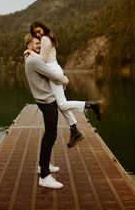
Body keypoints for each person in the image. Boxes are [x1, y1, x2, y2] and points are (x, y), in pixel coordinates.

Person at [26, 20, 104, 149]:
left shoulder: (45, 39)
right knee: (60, 103)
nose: (38, 35)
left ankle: (94, 106)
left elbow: (42, 60)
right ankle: (74, 131)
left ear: (44, 29)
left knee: (61, 104)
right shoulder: (48, 38)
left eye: (39, 31)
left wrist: (30, 52)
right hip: (53, 70)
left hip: (52, 71)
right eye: (35, 33)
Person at [24, 34, 67, 189]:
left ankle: (43, 165)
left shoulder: (31, 58)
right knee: (51, 134)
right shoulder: (34, 60)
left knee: (49, 134)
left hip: (43, 99)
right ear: (29, 45)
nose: (40, 46)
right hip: (47, 100)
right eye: (36, 44)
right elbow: (52, 74)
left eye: (40, 44)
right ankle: (44, 176)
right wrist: (64, 79)